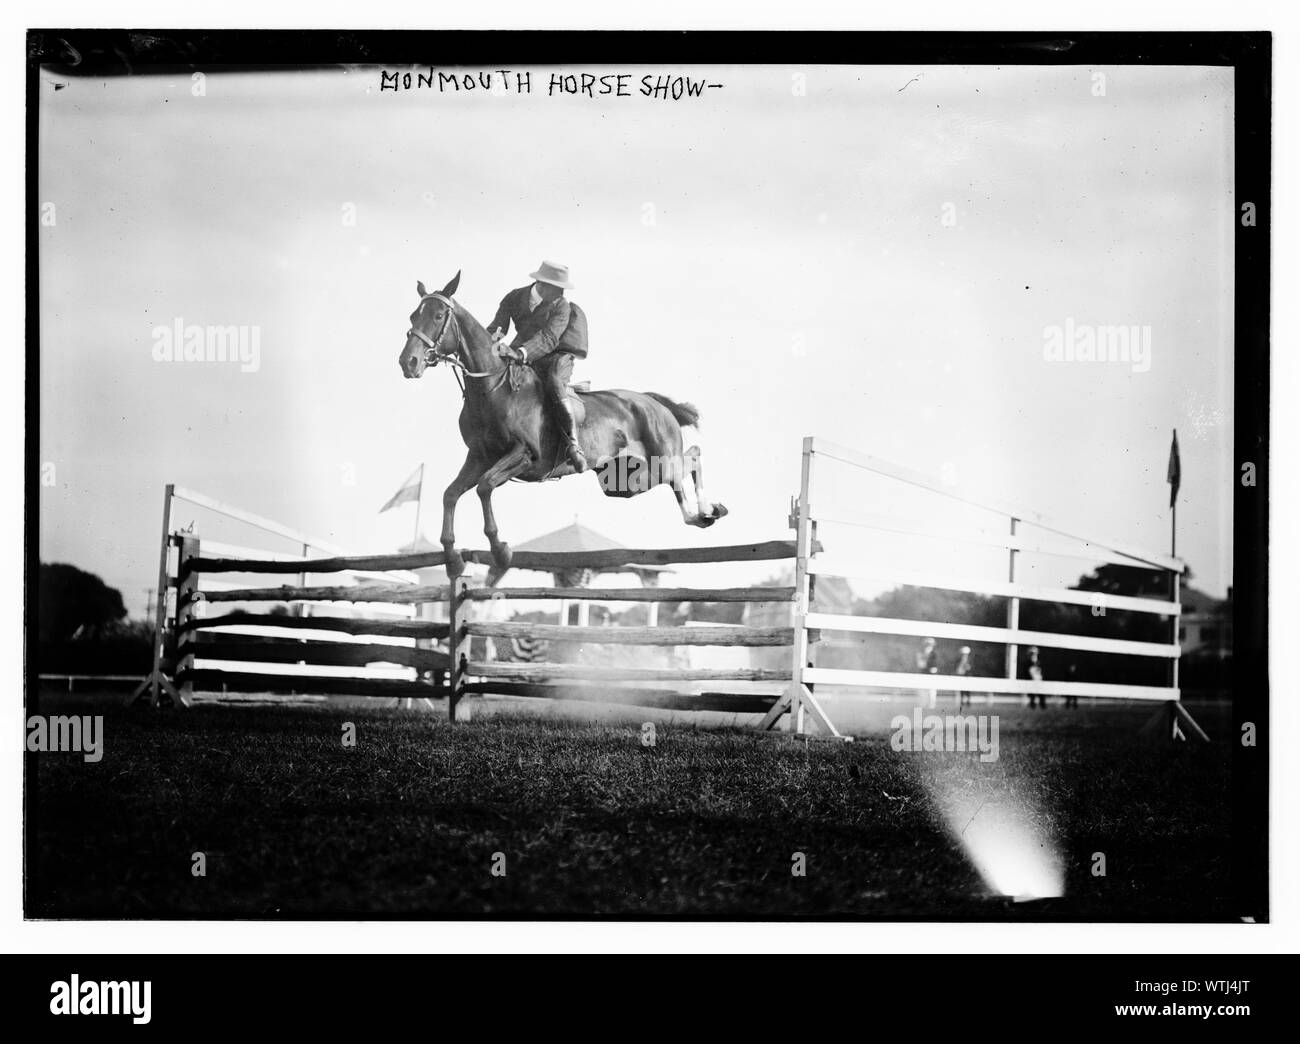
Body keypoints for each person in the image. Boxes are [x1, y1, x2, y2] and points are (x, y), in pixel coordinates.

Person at [487, 260, 590, 472]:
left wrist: (519, 353)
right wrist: (494, 340)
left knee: (553, 383)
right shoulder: (514, 297)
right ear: (542, 284)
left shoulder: (561, 306)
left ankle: (573, 445)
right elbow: (499, 326)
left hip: (556, 357)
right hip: (521, 354)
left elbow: (549, 338)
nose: (562, 293)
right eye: (558, 288)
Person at [916, 637, 939, 707]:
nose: (928, 645)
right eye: (927, 644)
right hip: (923, 673)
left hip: (932, 674)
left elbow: (935, 665)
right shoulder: (921, 653)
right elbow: (920, 664)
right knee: (923, 691)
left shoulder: (934, 654)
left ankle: (931, 705)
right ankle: (923, 704)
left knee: (931, 691)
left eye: (930, 644)